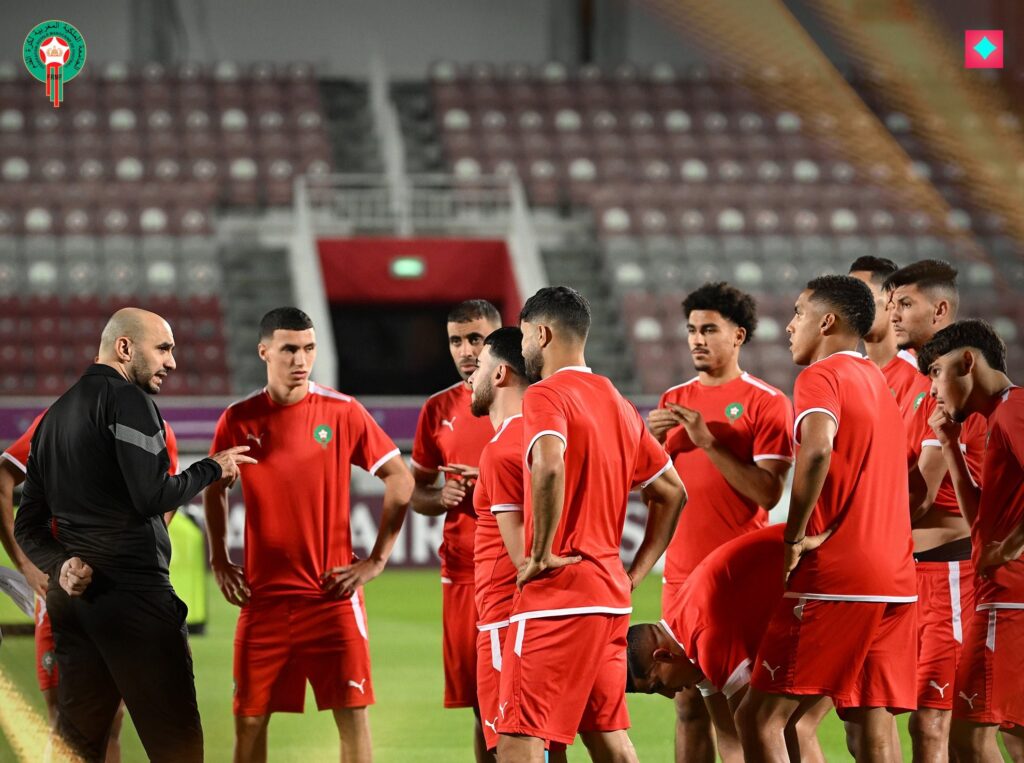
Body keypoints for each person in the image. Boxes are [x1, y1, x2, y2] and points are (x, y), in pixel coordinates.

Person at [13, 307, 253, 763]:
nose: (172, 362)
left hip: (75, 607)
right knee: (176, 742)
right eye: (162, 348)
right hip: (135, 601)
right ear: (124, 348)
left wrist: (62, 565)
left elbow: (28, 524)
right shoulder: (128, 401)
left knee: (77, 745)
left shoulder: (53, 417)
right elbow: (152, 496)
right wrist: (212, 467)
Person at [204, 306, 413, 763]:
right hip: (263, 601)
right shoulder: (238, 419)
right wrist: (219, 558)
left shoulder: (342, 411)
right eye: (289, 349)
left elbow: (401, 478)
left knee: (352, 716)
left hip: (331, 597)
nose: (301, 359)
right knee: (251, 721)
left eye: (309, 348)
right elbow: (215, 488)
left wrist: (376, 559)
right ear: (264, 352)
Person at [497, 286, 687, 763]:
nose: (522, 350)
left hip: (555, 597)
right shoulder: (618, 403)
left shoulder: (545, 395)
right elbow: (672, 492)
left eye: (523, 337)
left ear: (541, 333)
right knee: (608, 738)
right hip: (609, 602)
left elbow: (549, 461)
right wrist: (634, 575)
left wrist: (539, 553)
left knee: (519, 737)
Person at [737, 276, 917, 762]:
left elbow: (816, 450)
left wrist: (796, 534)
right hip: (896, 577)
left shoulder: (821, 377)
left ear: (827, 321)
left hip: (839, 575)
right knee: (870, 720)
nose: (790, 325)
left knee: (759, 718)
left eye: (798, 313)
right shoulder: (876, 379)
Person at [645, 282, 794, 763]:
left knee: (754, 709)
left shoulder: (766, 402)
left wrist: (708, 442)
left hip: (738, 584)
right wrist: (642, 447)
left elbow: (769, 492)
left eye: (709, 329)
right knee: (688, 703)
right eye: (691, 330)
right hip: (682, 575)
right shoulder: (674, 398)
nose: (696, 339)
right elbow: (652, 487)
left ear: (739, 336)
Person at [0, 410, 180, 762]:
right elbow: (3, 476)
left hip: (118, 599)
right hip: (60, 594)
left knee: (110, 723)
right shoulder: (57, 422)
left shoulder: (157, 430)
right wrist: (25, 563)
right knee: (64, 724)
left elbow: (165, 501)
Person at [884, 260, 987, 759]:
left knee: (942, 725)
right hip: (911, 575)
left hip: (951, 574)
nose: (893, 315)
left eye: (906, 304)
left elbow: (922, 496)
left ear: (940, 309)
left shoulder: (955, 385)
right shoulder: (910, 381)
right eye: (891, 304)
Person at [625, 525, 833, 763]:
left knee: (784, 725)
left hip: (835, 574)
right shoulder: (684, 635)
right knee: (863, 728)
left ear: (662, 656)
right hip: (840, 578)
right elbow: (732, 738)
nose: (670, 695)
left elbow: (750, 731)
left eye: (658, 685)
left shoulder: (706, 638)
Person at [918, 319, 1024, 760]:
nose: (934, 390)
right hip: (1005, 596)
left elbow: (998, 536)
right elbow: (981, 519)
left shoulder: (1014, 408)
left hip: (1009, 600)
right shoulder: (996, 416)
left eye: (936, 373)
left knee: (967, 739)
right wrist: (948, 446)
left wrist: (1012, 546)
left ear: (967, 361)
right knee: (1016, 738)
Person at [411, 299, 502, 762]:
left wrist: (491, 484)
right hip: (464, 573)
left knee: (532, 704)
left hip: (521, 570)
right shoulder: (438, 409)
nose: (466, 350)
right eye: (456, 340)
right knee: (481, 704)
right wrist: (439, 498)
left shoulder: (534, 401)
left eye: (476, 339)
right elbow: (416, 491)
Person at [466, 327, 552, 757]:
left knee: (512, 750)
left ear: (500, 374)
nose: (470, 377)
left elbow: (522, 557)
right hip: (556, 618)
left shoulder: (500, 450)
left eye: (478, 367)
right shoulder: (552, 437)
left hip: (506, 619)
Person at [847, 257, 921, 419]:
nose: (850, 307)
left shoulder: (917, 374)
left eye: (860, 296)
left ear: (891, 297)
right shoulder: (851, 378)